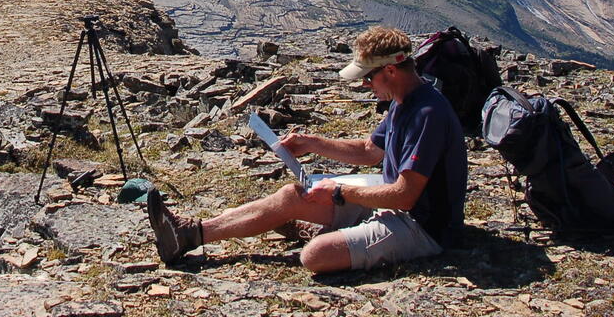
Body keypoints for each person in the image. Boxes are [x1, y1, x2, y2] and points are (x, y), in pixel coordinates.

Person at [147, 26, 467, 274]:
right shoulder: (402, 100)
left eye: (369, 79)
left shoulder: (427, 113)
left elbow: (404, 196)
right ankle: (189, 234)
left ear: (391, 71)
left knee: (315, 255)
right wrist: (313, 143)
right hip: (393, 202)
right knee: (291, 196)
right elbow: (370, 150)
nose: (366, 87)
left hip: (422, 226)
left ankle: (322, 229)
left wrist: (340, 191)